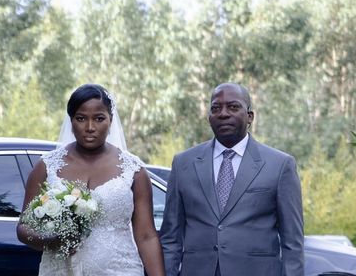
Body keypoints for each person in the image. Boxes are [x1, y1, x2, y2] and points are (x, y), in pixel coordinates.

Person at [17, 83, 165, 276]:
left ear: (111, 120)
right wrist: (50, 239)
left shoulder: (134, 170)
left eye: (99, 118)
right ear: (71, 121)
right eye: (81, 118)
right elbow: (23, 228)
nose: (90, 127)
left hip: (120, 270)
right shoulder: (46, 166)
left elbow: (146, 236)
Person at [159, 82, 304, 276]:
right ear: (209, 116)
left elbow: (292, 242)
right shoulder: (183, 164)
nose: (223, 114)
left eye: (233, 107)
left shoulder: (280, 165)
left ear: (250, 116)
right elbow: (171, 237)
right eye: (215, 108)